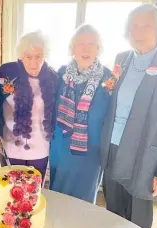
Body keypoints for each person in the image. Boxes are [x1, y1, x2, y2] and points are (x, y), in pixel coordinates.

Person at [101, 4, 157, 228]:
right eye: (134, 26)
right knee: (114, 213)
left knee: (138, 222)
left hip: (145, 158)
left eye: (146, 26)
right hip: (113, 149)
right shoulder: (121, 59)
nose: (139, 32)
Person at [49, 24, 112, 204]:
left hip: (90, 151)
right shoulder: (60, 74)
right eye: (80, 43)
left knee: (84, 200)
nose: (86, 49)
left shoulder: (109, 79)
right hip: (60, 147)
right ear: (72, 48)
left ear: (98, 49)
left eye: (91, 44)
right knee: (58, 197)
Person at [0, 31, 58, 182]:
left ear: (45, 56)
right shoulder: (6, 73)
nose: (34, 63)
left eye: (38, 57)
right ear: (21, 56)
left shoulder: (53, 78)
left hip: (40, 147)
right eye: (29, 57)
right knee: (11, 190)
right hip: (10, 144)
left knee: (33, 192)